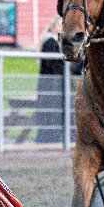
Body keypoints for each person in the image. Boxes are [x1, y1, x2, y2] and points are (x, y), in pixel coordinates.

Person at [35, 16, 68, 144]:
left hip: (50, 84)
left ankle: (50, 137)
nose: (61, 28)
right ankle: (48, 138)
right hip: (51, 85)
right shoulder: (50, 42)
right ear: (53, 27)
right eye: (60, 25)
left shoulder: (53, 42)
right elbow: (51, 64)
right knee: (49, 113)